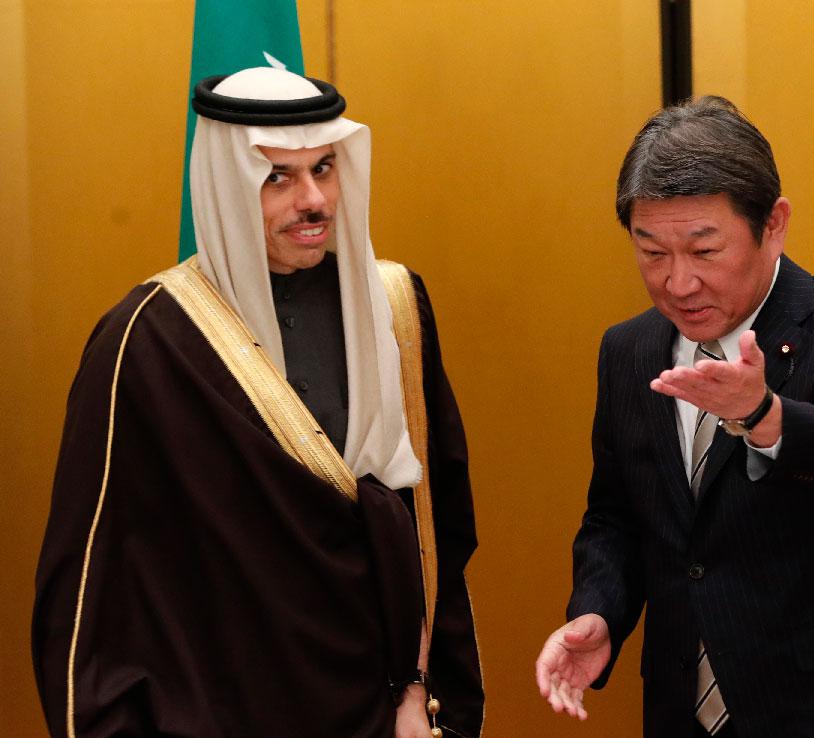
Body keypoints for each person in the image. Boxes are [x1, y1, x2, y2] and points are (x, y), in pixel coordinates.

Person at [33, 67, 483, 738]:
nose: (313, 200)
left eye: (324, 169)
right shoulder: (148, 339)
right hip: (223, 712)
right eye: (277, 177)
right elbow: (88, 592)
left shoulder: (392, 307)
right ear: (223, 185)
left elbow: (432, 528)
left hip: (382, 712)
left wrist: (422, 692)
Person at [535, 96, 814, 738]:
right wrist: (599, 610)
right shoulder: (628, 351)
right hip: (687, 712)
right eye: (652, 253)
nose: (677, 284)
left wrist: (764, 414)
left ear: (775, 224)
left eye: (704, 251)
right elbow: (616, 515)